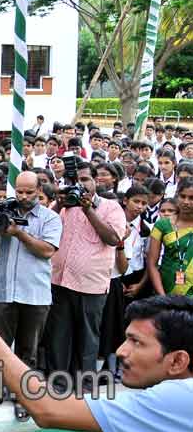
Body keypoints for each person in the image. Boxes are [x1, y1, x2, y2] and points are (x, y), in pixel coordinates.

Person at [0, 279, 193, 432]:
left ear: (178, 361)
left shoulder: (181, 399)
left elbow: (46, 407)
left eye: (136, 342)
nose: (120, 351)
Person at [0, 171, 62, 420]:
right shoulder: (4, 214)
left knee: (28, 352)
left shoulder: (50, 218)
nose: (23, 197)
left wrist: (18, 234)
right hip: (4, 291)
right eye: (19, 192)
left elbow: (47, 251)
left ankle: (23, 399)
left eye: (29, 192)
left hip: (35, 295)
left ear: (39, 192)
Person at [47, 160, 126, 391]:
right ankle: (59, 382)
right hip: (60, 280)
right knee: (59, 335)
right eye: (75, 181)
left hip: (90, 285)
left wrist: (87, 209)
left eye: (84, 180)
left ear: (95, 181)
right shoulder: (63, 205)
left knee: (87, 337)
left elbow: (113, 238)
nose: (79, 185)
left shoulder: (111, 207)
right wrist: (57, 205)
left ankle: (85, 385)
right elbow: (46, 227)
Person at [145, 178, 193, 297]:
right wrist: (162, 296)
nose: (186, 202)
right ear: (176, 196)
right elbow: (152, 263)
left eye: (192, 198)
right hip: (165, 290)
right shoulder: (162, 225)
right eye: (182, 196)